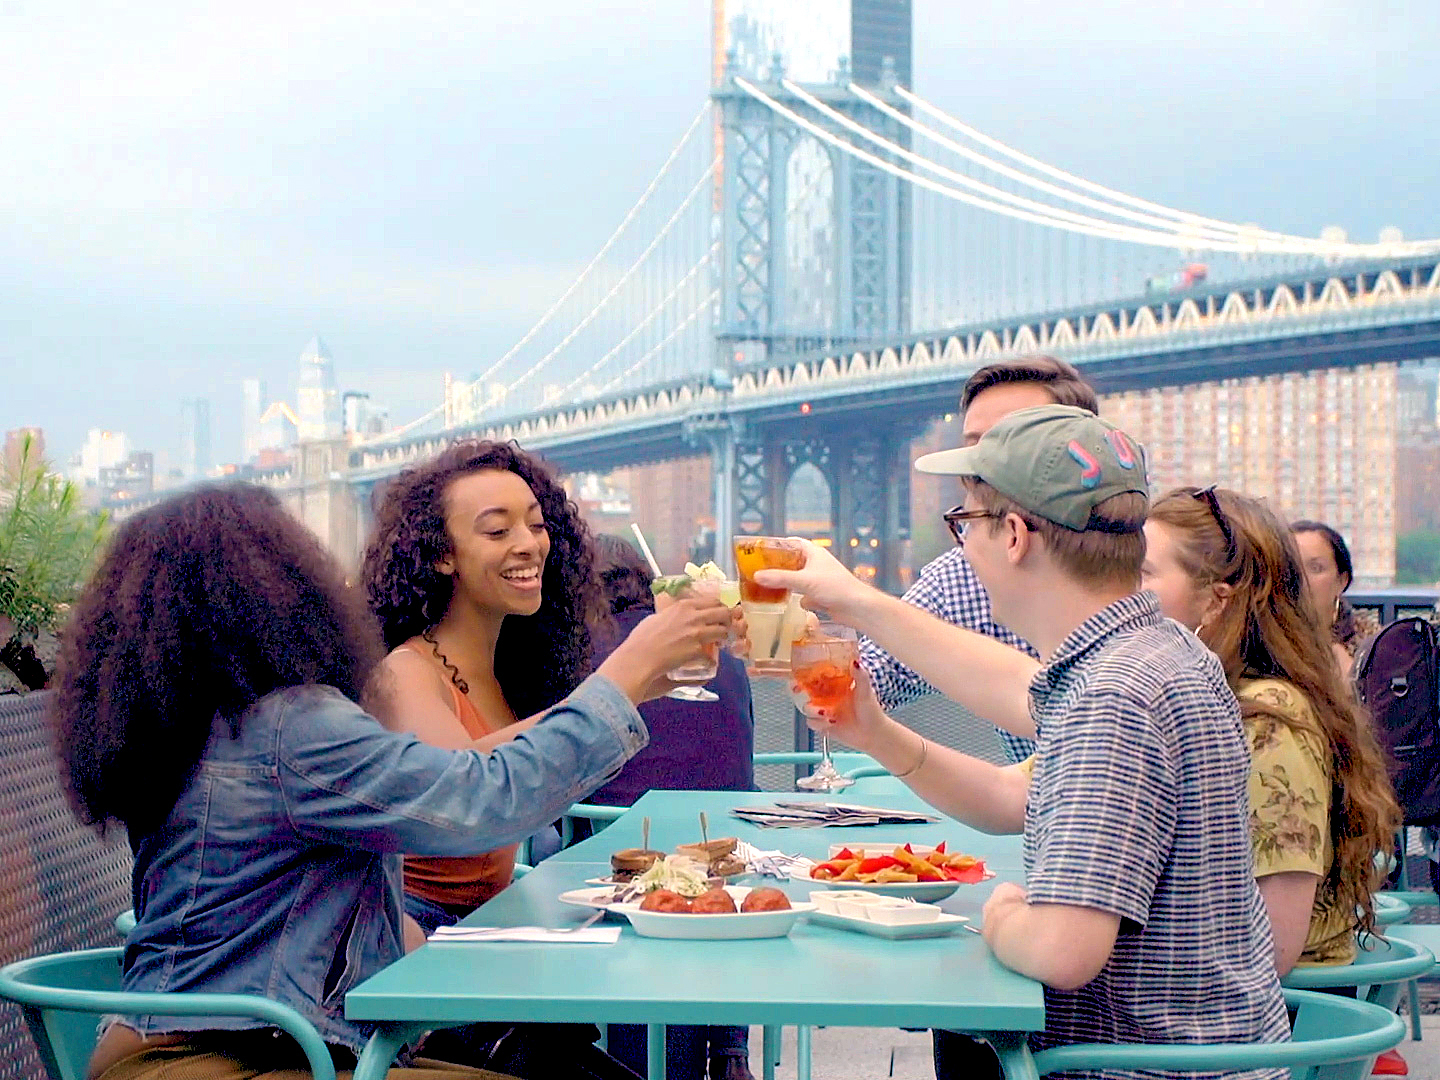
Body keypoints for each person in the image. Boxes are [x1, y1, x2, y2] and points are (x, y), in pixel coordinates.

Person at [52, 483, 731, 1080]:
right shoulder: (289, 728)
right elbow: (478, 799)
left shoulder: (189, 732)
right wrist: (626, 671)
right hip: (239, 1060)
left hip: (178, 1051)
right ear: (278, 591)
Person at [758, 406, 1289, 1079]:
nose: (962, 547)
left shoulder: (1113, 696)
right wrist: (872, 726)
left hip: (1135, 1068)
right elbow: (1017, 764)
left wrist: (1006, 914)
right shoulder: (1160, 653)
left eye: (965, 523)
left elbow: (1064, 951)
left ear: (1013, 535)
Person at [1146, 490, 1400, 973]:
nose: (1123, 592)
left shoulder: (1270, 721)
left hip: (1280, 1009)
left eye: (1143, 572)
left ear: (1217, 602)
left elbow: (1276, 946)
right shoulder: (1202, 697)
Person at [360, 441, 608, 931]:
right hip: (417, 937)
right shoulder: (405, 674)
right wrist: (621, 690)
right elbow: (465, 794)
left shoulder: (513, 672)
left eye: (537, 525)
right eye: (497, 530)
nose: (528, 544)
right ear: (441, 556)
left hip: (491, 927)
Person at [860, 355, 1099, 764]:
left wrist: (852, 599)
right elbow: (868, 679)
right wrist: (789, 635)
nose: (986, 469)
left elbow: (1058, 710)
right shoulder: (962, 575)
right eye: (974, 449)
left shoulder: (1158, 567)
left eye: (1012, 444)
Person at [583, 535, 756, 1080]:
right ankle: (729, 1046)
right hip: (725, 851)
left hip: (621, 861)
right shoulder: (719, 654)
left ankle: (609, 1048)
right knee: (709, 877)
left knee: (554, 843)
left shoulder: (590, 656)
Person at [1292, 519, 1380, 678]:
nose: (1301, 578)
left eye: (1315, 568)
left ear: (1342, 581)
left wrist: (1353, 679)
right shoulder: (1259, 638)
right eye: (1291, 567)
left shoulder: (1371, 643)